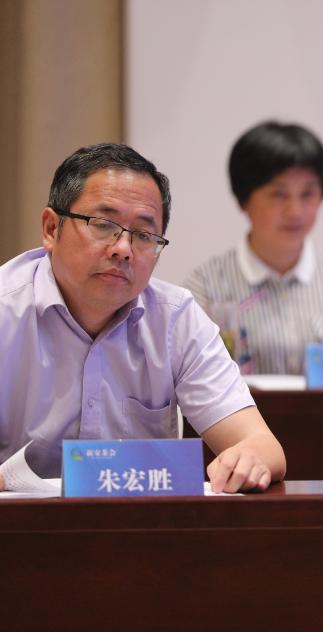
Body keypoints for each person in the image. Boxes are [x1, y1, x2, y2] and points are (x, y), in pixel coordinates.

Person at [0, 143, 286, 492]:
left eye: (143, 235)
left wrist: (248, 458)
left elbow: (262, 445)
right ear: (50, 228)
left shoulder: (175, 319)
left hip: (138, 523)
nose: (123, 249)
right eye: (103, 225)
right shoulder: (5, 310)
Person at [183, 121, 323, 375]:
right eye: (278, 194)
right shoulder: (206, 285)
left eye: (307, 194)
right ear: (244, 200)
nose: (295, 211)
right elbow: (192, 378)